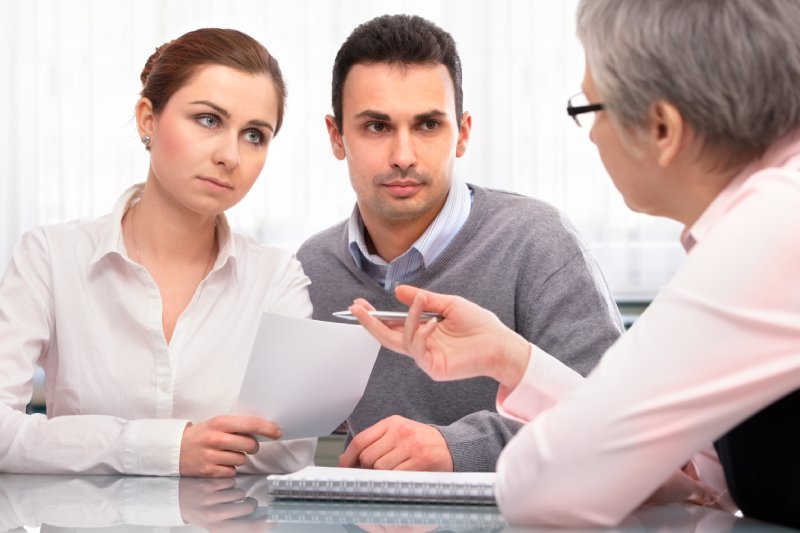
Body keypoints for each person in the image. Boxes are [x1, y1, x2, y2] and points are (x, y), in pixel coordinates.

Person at [350, 0, 800, 528]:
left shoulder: (771, 231)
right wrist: (513, 360)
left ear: (662, 128)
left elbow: (542, 488)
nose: (590, 136)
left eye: (590, 109)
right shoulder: (768, 213)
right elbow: (695, 480)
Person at [297, 14, 623, 473]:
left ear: (463, 133)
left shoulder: (538, 243)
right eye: (376, 127)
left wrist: (457, 448)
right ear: (336, 137)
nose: (403, 156)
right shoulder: (312, 268)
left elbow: (614, 419)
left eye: (428, 125)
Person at [0, 28, 316, 476]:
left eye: (254, 135)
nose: (230, 155)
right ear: (148, 119)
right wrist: (165, 449)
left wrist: (87, 446)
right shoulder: (51, 256)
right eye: (208, 120)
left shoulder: (277, 278)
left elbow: (287, 449)